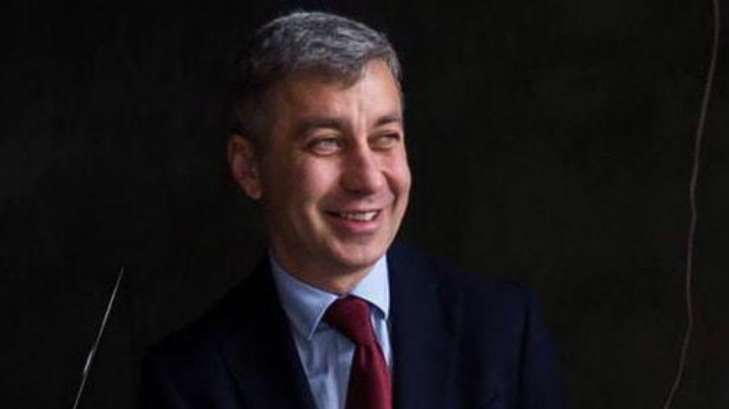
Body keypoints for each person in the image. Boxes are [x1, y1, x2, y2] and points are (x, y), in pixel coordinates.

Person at [140, 11, 564, 409]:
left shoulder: (504, 329)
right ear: (249, 168)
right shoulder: (185, 381)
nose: (368, 179)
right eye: (326, 142)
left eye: (385, 138)